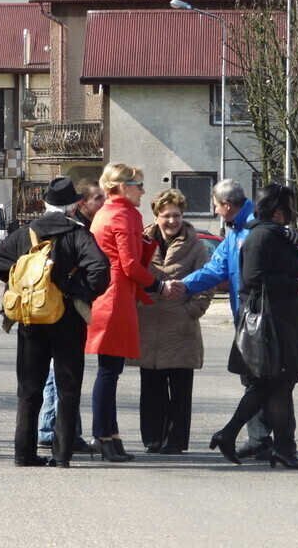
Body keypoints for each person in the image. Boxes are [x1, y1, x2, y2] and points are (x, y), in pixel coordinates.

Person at [0, 177, 110, 468]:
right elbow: (101, 269)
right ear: (74, 205)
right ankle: (62, 454)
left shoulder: (25, 233)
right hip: (67, 319)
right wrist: (74, 289)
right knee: (68, 389)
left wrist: (21, 284)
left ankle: (23, 454)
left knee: (29, 391)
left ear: (45, 204)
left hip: (30, 318)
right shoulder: (78, 233)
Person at [210, 183, 298, 469]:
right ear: (278, 210)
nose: (293, 211)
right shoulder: (261, 236)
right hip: (270, 323)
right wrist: (292, 284)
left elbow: (287, 268)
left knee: (278, 384)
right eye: (290, 206)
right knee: (277, 383)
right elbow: (252, 278)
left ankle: (242, 438)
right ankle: (281, 447)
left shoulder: (280, 237)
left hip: (284, 319)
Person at [169, 180, 272, 459]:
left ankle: (266, 440)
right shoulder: (237, 229)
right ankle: (265, 439)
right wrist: (185, 285)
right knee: (255, 378)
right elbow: (218, 268)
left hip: (262, 317)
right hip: (247, 316)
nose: (214, 211)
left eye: (215, 205)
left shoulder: (253, 228)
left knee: (263, 379)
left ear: (227, 205)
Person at [85, 163, 178, 463]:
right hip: (115, 297)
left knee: (109, 371)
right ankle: (103, 435)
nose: (143, 190)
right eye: (138, 184)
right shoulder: (123, 215)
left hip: (111, 295)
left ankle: (109, 435)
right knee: (109, 372)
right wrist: (159, 285)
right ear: (123, 186)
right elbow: (129, 265)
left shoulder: (107, 212)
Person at [127, 189, 214, 454]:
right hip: (149, 325)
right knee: (151, 388)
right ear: (156, 216)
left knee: (179, 390)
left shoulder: (195, 245)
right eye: (166, 215)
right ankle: (153, 440)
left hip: (181, 327)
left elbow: (206, 281)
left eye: (176, 215)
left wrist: (192, 310)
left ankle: (174, 442)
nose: (172, 221)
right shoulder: (142, 240)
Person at [37, 178, 106, 454]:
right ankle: (54, 430)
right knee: (61, 373)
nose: (103, 203)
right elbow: (99, 268)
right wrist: (80, 291)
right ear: (81, 203)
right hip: (59, 307)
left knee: (54, 373)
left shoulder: (43, 227)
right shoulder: (75, 230)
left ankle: (54, 429)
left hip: (39, 305)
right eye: (97, 198)